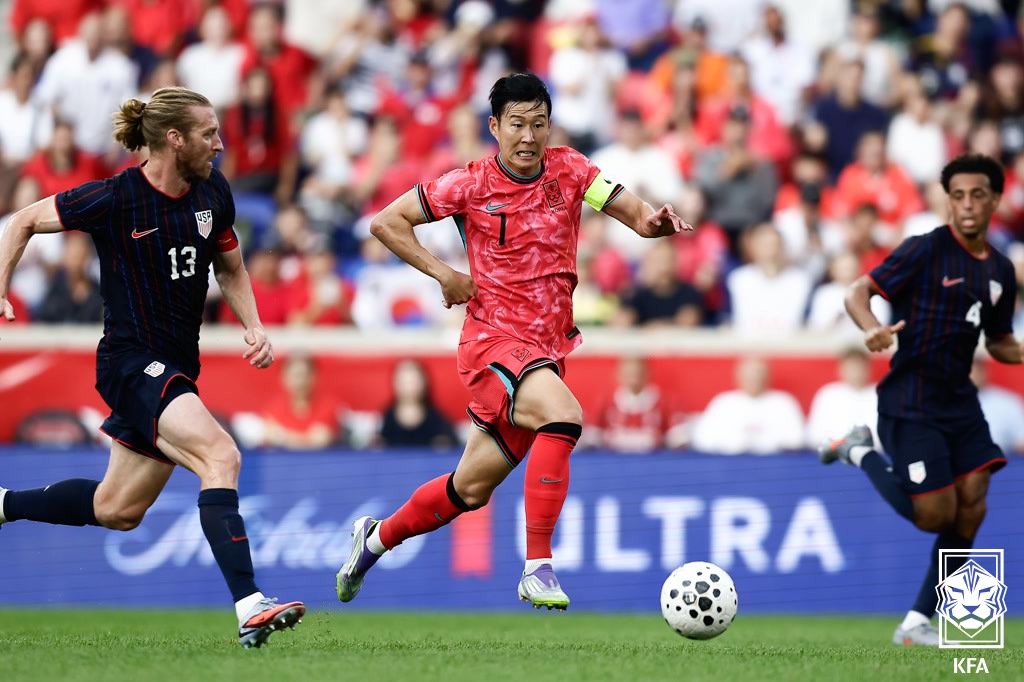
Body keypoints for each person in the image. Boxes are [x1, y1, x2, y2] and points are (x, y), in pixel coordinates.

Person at [334, 72, 690, 610]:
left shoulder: (572, 170)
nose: (528, 136)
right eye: (517, 124)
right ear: (495, 127)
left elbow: (635, 215)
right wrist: (444, 275)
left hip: (546, 350)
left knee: (469, 490)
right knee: (565, 417)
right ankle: (538, 566)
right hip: (493, 342)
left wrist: (656, 222)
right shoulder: (469, 184)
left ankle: (376, 538)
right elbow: (386, 223)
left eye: (539, 124)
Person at [0, 87, 304, 648]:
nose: (220, 143)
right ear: (174, 138)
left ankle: (3, 503)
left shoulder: (214, 190)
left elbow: (230, 268)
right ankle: (249, 604)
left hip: (175, 368)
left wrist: (254, 325)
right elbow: (19, 221)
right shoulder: (115, 198)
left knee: (117, 509)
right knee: (221, 454)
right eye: (209, 133)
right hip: (129, 362)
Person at [820, 154, 1021, 646]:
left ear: (995, 199)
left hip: (960, 401)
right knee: (933, 514)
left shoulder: (1000, 270)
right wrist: (871, 330)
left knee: (972, 504)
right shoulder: (925, 251)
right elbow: (857, 292)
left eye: (978, 195)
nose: (968, 204)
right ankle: (860, 449)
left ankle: (917, 622)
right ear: (948, 201)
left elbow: (997, 341)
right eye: (958, 195)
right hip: (910, 398)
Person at [379, 359, 457, 449]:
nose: (409, 388)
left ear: (425, 383)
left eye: (413, 382)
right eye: (404, 382)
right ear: (395, 383)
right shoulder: (386, 417)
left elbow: (451, 447)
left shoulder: (436, 418)